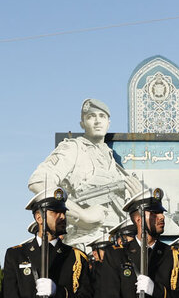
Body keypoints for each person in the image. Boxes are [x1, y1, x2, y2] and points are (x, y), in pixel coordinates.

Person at [27, 98, 143, 250]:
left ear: (109, 123)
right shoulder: (73, 148)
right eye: (90, 117)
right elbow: (38, 181)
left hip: (116, 245)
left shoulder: (113, 161)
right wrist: (82, 214)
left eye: (102, 116)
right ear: (82, 124)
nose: (97, 121)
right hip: (84, 244)